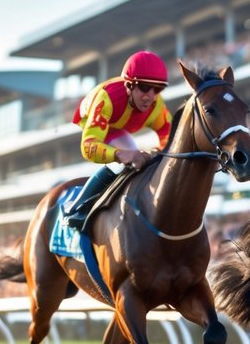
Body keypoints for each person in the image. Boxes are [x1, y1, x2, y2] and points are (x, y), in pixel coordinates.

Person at [63, 50, 172, 229]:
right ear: (129, 85)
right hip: (97, 122)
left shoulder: (157, 106)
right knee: (129, 150)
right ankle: (79, 208)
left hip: (120, 124)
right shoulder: (107, 99)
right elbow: (88, 146)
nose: (150, 96)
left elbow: (168, 139)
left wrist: (159, 153)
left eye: (158, 89)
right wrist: (120, 155)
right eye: (144, 87)